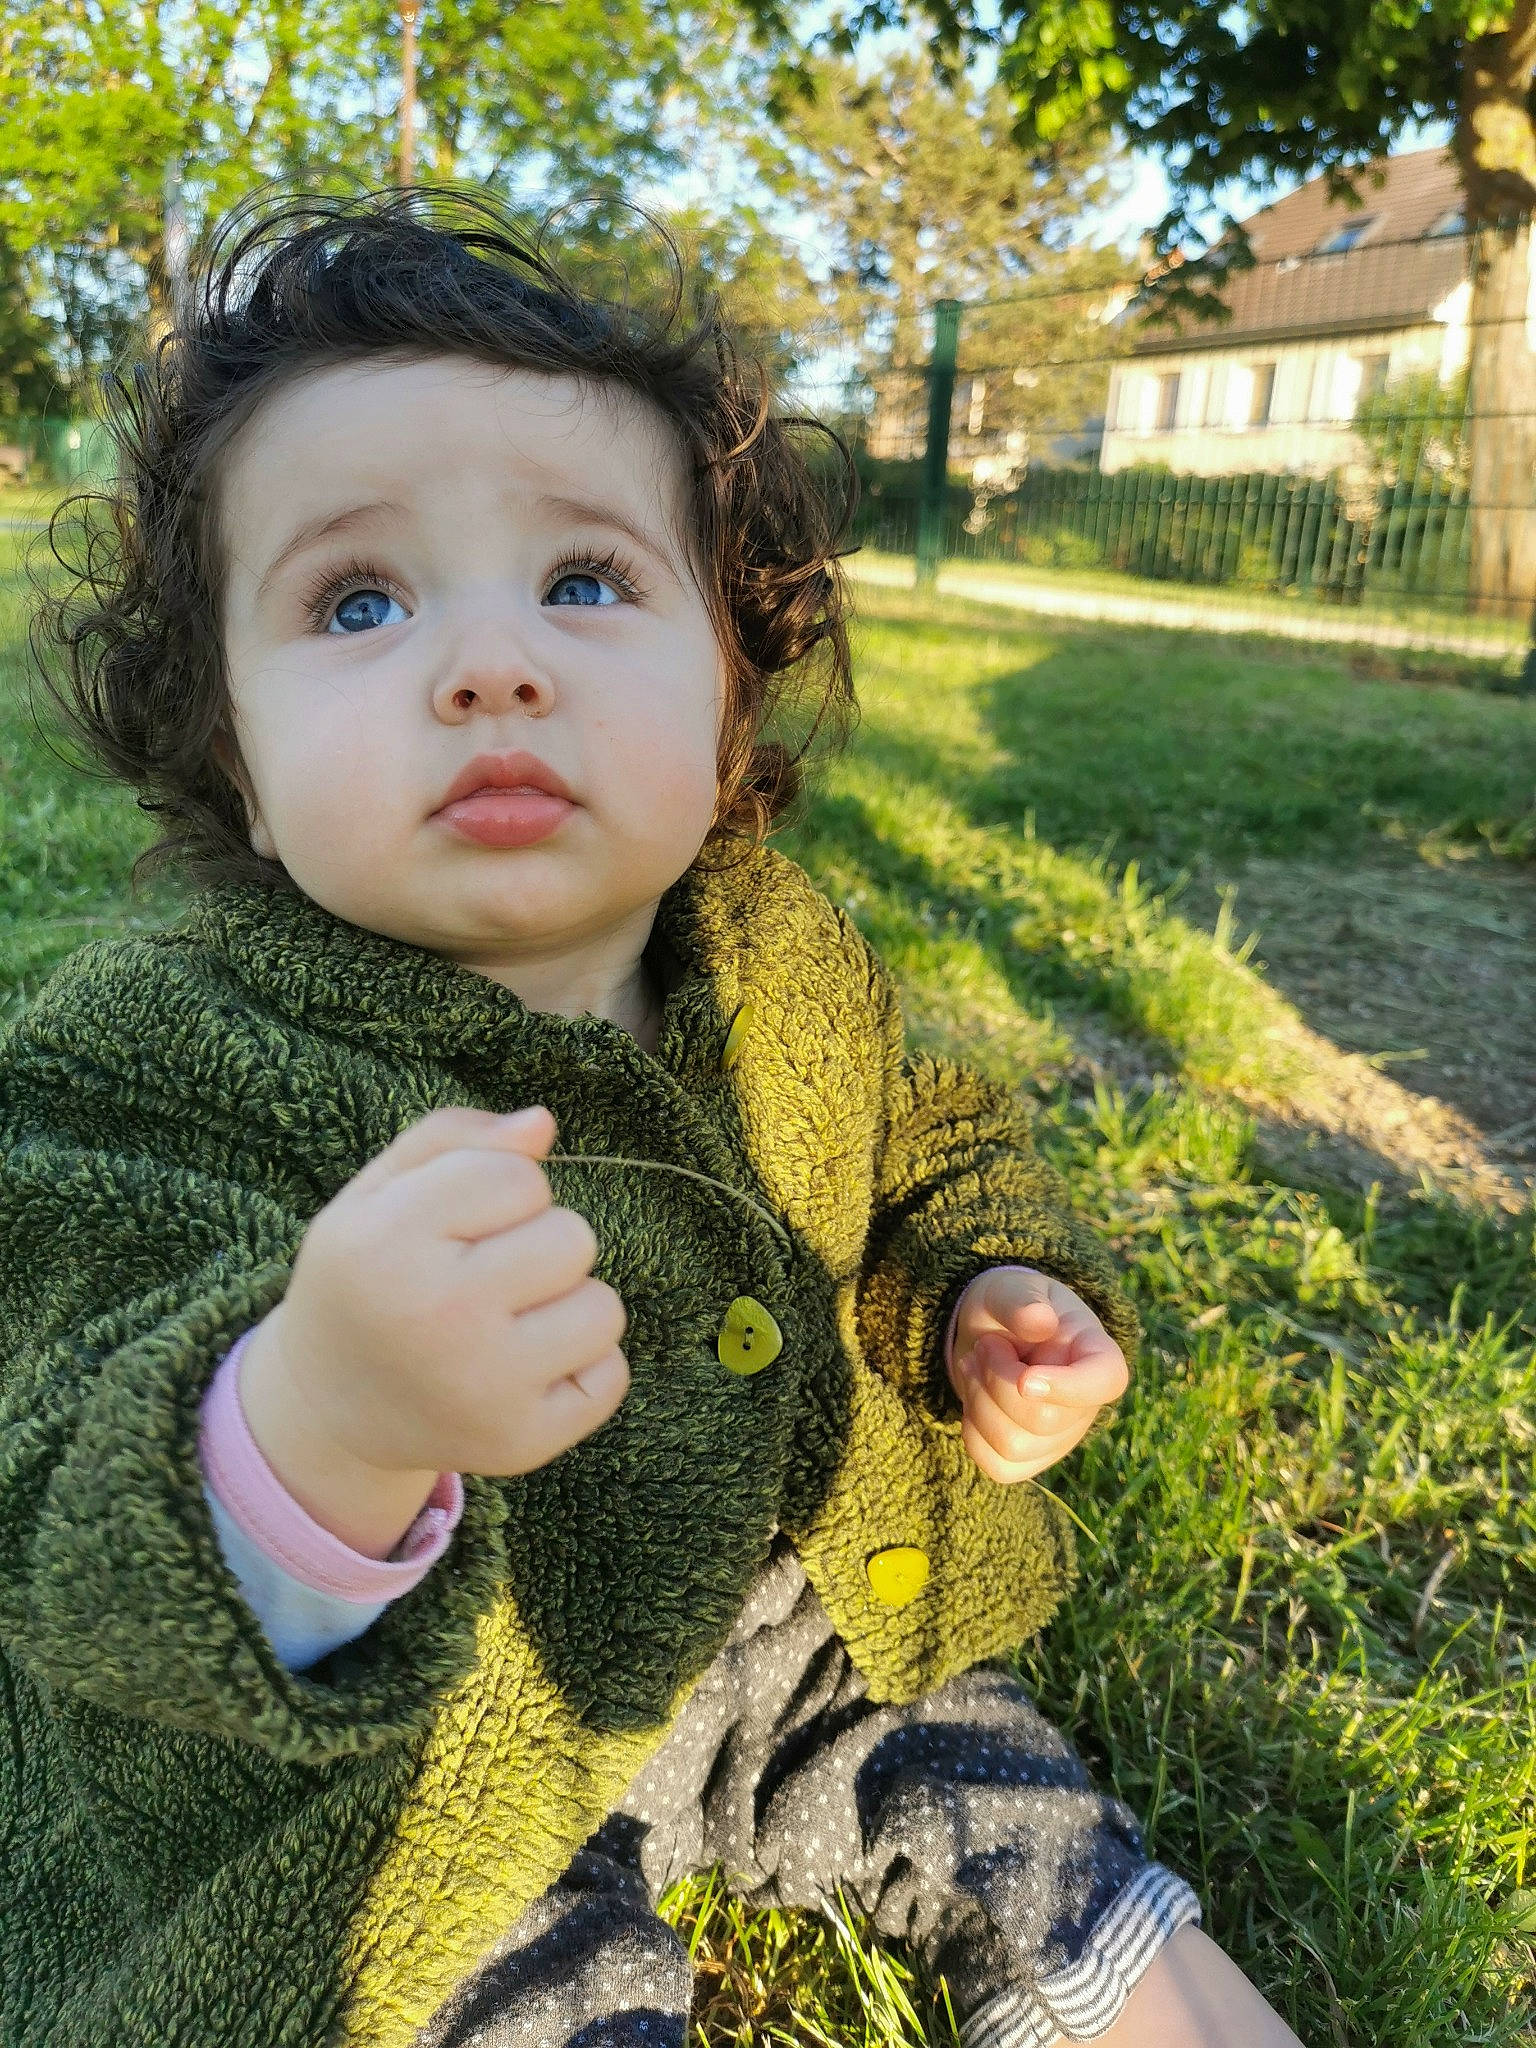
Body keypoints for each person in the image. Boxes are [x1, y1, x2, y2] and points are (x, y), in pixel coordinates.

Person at [0, 183, 1304, 2048]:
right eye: (357, 599)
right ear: (242, 766)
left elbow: (920, 1133)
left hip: (786, 1638)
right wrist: (317, 1416)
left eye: (587, 581)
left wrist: (982, 1276)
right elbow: (59, 1496)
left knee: (1018, 1814)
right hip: (433, 1735)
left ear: (723, 703)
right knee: (480, 1978)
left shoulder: (771, 947)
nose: (489, 662)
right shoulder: (149, 1056)